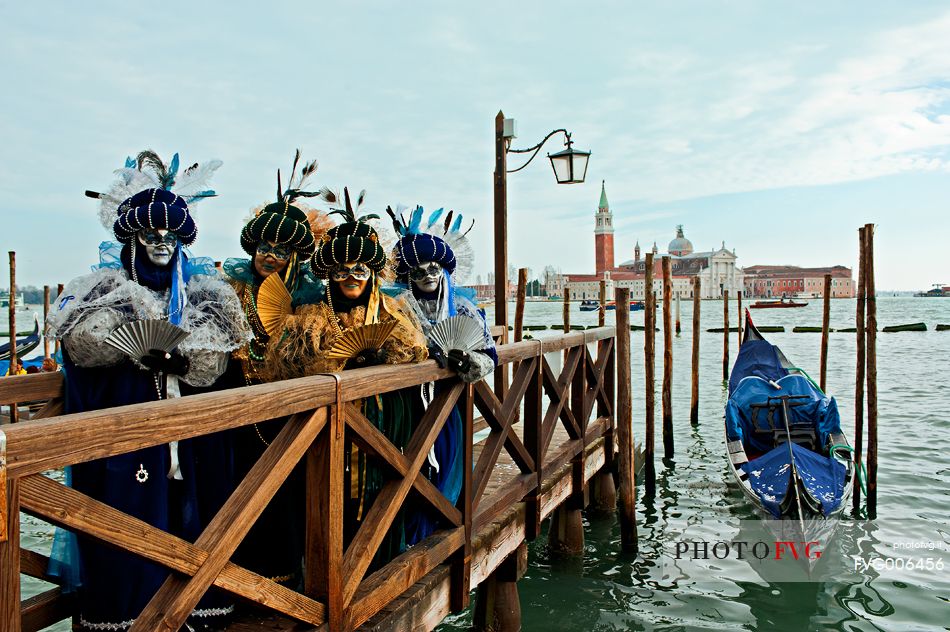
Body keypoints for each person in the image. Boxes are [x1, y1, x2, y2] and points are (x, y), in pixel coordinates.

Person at [46, 150, 250, 630]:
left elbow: (215, 359)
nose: (161, 243)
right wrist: (129, 348)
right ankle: (130, 616)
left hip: (193, 436)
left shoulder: (203, 294)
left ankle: (193, 607)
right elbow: (81, 344)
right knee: (126, 521)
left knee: (195, 514)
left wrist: (184, 359)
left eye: (171, 236)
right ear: (133, 239)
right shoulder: (105, 291)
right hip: (126, 433)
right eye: (150, 234)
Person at [266, 187, 428, 568]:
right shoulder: (310, 316)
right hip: (326, 431)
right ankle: (332, 578)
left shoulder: (392, 312)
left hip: (384, 423)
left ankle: (378, 567)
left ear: (371, 273)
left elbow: (415, 354)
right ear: (329, 274)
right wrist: (333, 365)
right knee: (330, 496)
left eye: (359, 270)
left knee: (382, 491)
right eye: (341, 271)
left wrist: (382, 358)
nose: (350, 278)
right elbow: (287, 367)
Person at [216, 150, 330, 587]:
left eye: (281, 249)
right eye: (264, 246)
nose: (269, 255)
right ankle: (237, 576)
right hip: (238, 409)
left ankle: (286, 579)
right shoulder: (232, 290)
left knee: (288, 492)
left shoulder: (309, 301)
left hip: (290, 412)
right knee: (238, 491)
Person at [387, 206, 497, 543]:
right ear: (407, 276)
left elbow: (490, 353)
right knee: (406, 465)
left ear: (443, 270)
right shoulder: (395, 308)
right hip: (406, 403)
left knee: (446, 461)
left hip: (447, 405)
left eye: (433, 269)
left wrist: (471, 363)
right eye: (418, 271)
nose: (427, 276)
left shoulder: (462, 307)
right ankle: (409, 532)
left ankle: (441, 523)